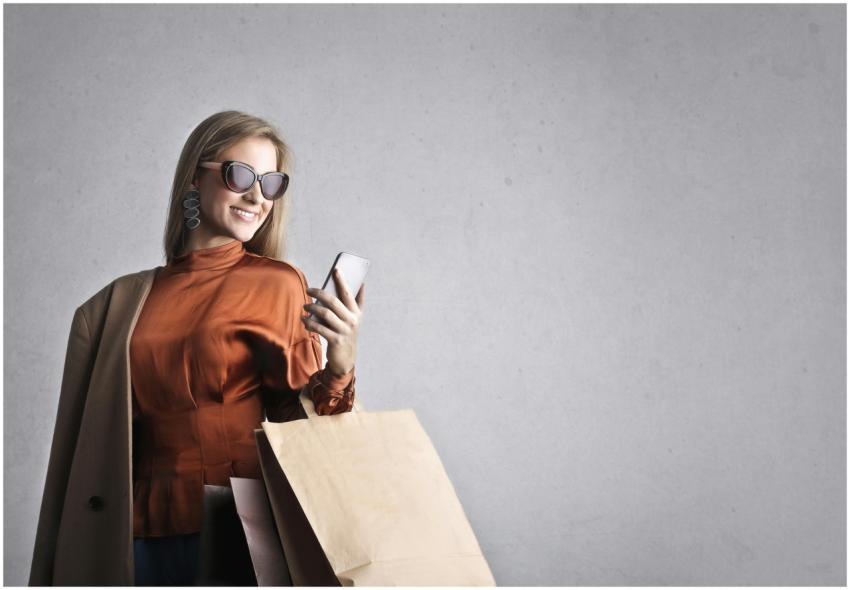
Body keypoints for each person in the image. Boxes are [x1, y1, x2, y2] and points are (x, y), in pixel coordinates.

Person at [29, 110, 365, 586]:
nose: (256, 196)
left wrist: (341, 367)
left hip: (244, 530)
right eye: (240, 175)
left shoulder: (275, 283)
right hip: (134, 535)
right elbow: (79, 452)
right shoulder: (111, 306)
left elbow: (304, 428)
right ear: (195, 176)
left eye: (271, 183)